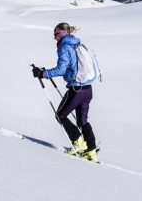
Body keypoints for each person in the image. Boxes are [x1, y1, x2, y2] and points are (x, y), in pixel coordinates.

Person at [32, 22, 98, 162]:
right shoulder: (77, 43)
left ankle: (78, 143)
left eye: (56, 34)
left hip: (76, 89)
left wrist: (42, 74)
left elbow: (61, 69)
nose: (54, 38)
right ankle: (91, 152)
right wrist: (45, 72)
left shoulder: (65, 47)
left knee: (60, 115)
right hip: (87, 89)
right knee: (83, 122)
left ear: (61, 34)